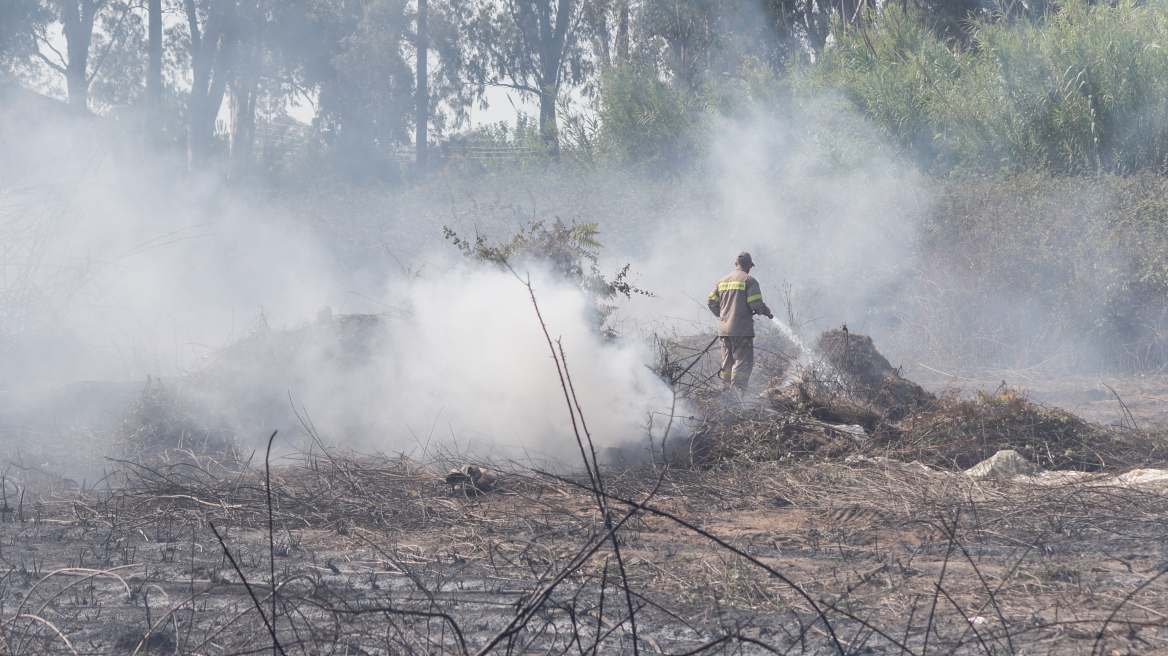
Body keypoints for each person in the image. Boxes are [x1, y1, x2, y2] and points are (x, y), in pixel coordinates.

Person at [707, 252, 773, 390]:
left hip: (724, 331)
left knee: (727, 363)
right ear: (749, 265)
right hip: (741, 330)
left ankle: (725, 392)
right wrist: (765, 310)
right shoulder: (749, 280)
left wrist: (725, 316)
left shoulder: (722, 281)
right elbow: (755, 304)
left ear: (736, 264)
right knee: (742, 363)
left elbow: (711, 302)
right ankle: (737, 396)